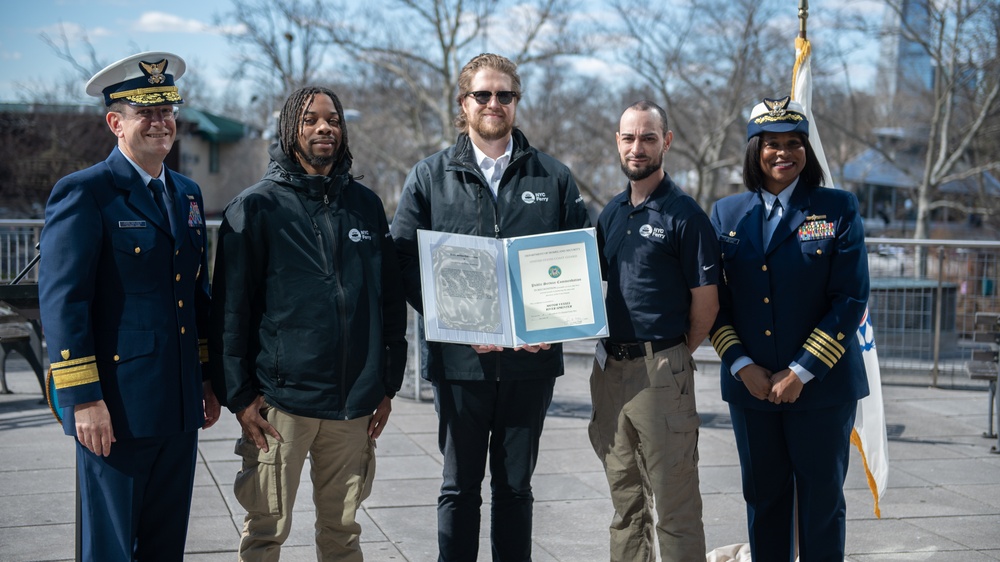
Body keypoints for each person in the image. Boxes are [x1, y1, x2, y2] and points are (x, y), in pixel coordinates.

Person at [390, 53, 591, 561]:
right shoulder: (429, 177)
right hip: (461, 365)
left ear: (516, 102)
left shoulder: (554, 178)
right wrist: (454, 320)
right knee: (459, 488)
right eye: (483, 94)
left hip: (531, 362)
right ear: (464, 103)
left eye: (505, 94)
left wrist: (558, 319)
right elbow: (400, 260)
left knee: (516, 489)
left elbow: (578, 262)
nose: (494, 103)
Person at [209, 85, 408, 562]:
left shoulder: (365, 205)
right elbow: (229, 313)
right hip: (282, 406)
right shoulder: (255, 208)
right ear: (289, 131)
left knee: (343, 532)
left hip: (353, 404)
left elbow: (389, 300)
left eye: (333, 120)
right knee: (265, 533)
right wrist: (238, 397)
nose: (324, 128)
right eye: (311, 120)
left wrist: (387, 383)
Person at [38, 51, 219, 560]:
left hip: (179, 403)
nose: (161, 122)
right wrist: (84, 401)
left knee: (166, 544)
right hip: (115, 407)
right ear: (117, 122)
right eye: (147, 112)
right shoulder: (85, 193)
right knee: (111, 546)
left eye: (168, 111)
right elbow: (65, 302)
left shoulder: (185, 192)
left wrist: (205, 379)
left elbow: (194, 294)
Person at [708, 96, 870, 561]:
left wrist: (801, 371)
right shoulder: (726, 214)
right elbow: (713, 299)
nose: (784, 153)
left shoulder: (838, 208)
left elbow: (850, 300)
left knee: (821, 504)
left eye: (794, 143)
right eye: (772, 144)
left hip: (822, 389)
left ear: (808, 150)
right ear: (754, 150)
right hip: (751, 389)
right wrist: (741, 365)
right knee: (764, 502)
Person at [588, 100, 718, 562]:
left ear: (666, 141)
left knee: (676, 509)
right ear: (617, 143)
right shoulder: (611, 214)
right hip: (610, 375)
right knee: (626, 508)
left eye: (647, 137)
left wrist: (674, 356)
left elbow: (706, 304)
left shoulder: (685, 215)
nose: (636, 147)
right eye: (628, 137)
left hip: (661, 371)